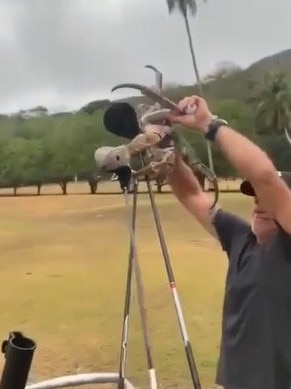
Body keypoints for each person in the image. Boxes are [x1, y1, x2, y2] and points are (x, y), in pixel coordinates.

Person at [166, 95, 291, 389]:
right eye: (255, 198)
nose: (260, 203)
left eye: (269, 199)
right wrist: (168, 151)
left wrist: (209, 124)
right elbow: (192, 195)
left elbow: (264, 176)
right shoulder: (240, 239)